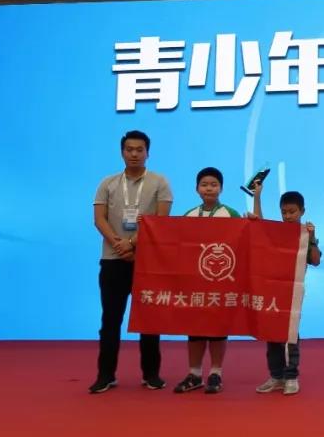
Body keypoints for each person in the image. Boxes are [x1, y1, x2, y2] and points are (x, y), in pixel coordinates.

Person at [89, 130, 172, 394]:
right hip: (112, 260)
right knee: (110, 320)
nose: (134, 154)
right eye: (129, 149)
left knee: (149, 320)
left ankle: (151, 374)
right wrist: (119, 244)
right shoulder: (108, 183)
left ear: (148, 153)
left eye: (139, 149)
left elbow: (160, 221)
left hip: (146, 262)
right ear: (122, 152)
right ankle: (105, 375)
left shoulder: (159, 182)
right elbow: (99, 219)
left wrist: (132, 243)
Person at [173, 167, 240, 395]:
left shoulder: (231, 214)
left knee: (218, 329)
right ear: (196, 189)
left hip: (221, 282)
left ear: (221, 188)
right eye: (204, 184)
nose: (209, 188)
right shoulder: (189, 215)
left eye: (213, 184)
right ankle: (194, 373)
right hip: (194, 283)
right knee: (195, 329)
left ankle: (216, 373)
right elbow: (178, 244)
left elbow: (244, 241)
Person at [250, 187, 322, 395]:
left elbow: (315, 260)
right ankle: (276, 376)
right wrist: (257, 197)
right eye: (284, 212)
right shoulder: (277, 231)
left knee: (290, 335)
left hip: (293, 292)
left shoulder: (305, 234)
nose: (288, 216)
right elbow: (259, 226)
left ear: (302, 211)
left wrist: (312, 237)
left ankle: (291, 377)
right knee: (272, 333)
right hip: (272, 290)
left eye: (292, 212)